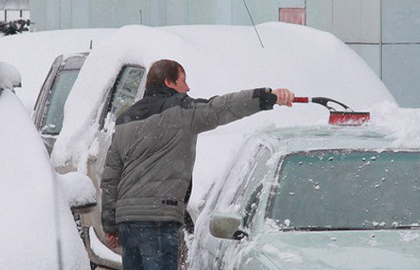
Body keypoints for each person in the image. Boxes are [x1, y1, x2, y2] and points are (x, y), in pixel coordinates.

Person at [100, 59, 294, 270]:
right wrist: (267, 97)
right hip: (158, 219)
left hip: (128, 221)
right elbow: (223, 107)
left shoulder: (125, 120)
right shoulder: (181, 111)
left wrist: (110, 224)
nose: (188, 88)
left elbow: (111, 177)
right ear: (168, 82)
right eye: (183, 81)